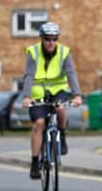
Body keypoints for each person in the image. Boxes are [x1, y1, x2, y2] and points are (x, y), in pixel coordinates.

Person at [22, 22, 82, 179]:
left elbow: (71, 74)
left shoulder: (64, 52)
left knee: (60, 107)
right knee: (39, 123)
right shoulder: (33, 52)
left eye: (54, 39)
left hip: (58, 90)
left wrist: (77, 95)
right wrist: (27, 97)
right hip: (38, 92)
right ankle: (35, 163)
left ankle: (61, 135)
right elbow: (28, 75)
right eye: (48, 39)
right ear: (42, 38)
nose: (51, 42)